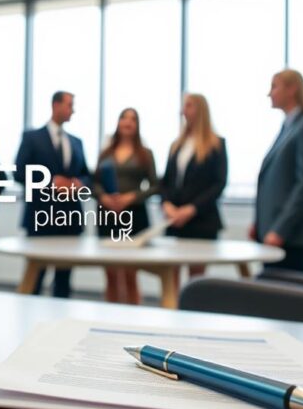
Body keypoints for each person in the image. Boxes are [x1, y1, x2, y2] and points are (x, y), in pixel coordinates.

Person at [250, 69, 303, 273]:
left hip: (293, 235)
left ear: (292, 89)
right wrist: (259, 224)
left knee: (285, 297)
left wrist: (280, 229)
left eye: (274, 86)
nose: (270, 93)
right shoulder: (289, 127)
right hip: (276, 231)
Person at [14, 91, 91, 298]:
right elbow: (19, 173)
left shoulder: (76, 142)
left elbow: (87, 176)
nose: (72, 110)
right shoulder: (32, 138)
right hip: (40, 219)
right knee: (35, 279)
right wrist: (50, 182)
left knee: (64, 282)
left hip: (69, 220)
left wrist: (77, 184)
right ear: (55, 105)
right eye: (69, 105)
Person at [93, 108, 158, 305]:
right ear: (118, 122)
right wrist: (103, 197)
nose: (128, 122)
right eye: (124, 118)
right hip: (108, 215)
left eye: (133, 119)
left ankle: (133, 317)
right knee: (111, 274)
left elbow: (155, 186)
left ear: (137, 125)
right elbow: (94, 182)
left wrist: (132, 197)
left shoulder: (145, 154)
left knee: (131, 274)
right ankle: (110, 315)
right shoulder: (106, 153)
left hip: (133, 216)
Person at [161, 93, 228, 279]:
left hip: (201, 221)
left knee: (196, 279)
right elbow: (165, 182)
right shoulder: (176, 145)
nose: (183, 111)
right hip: (174, 220)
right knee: (171, 275)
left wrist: (191, 209)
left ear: (200, 110)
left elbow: (219, 183)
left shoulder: (216, 144)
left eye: (188, 106)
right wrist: (167, 205)